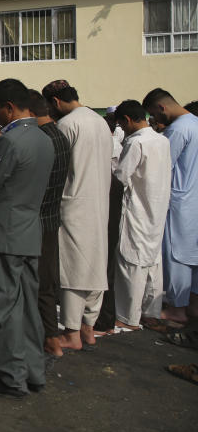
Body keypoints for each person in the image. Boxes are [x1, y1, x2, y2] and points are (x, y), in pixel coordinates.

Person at [0, 79, 53, 399]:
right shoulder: (44, 139)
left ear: (9, 107)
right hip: (28, 232)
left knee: (3, 308)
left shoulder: (9, 142)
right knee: (28, 307)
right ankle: (33, 371)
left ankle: (11, 376)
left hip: (2, 234)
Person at [43, 80, 112, 350]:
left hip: (73, 202)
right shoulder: (100, 121)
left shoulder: (67, 124)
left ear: (56, 102)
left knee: (73, 268)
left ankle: (72, 332)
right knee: (95, 261)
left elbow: (57, 169)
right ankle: (88, 327)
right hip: (98, 201)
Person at [109, 100, 172, 330]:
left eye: (122, 126)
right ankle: (150, 312)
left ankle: (128, 317)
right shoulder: (162, 140)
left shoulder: (136, 143)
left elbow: (121, 178)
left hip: (136, 209)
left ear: (126, 121)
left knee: (131, 262)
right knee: (153, 262)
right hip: (156, 209)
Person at [142, 88, 198, 323]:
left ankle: (177, 308)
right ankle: (193, 305)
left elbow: (162, 166)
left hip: (179, 202)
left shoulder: (178, 130)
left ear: (161, 108)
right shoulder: (195, 123)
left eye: (153, 114)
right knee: (193, 257)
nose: (155, 120)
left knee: (177, 256)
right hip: (192, 199)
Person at [27, 90, 71, 357]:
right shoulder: (59, 135)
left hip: (38, 218)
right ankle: (49, 336)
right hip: (51, 217)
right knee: (46, 281)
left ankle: (50, 339)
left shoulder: (43, 139)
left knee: (40, 284)